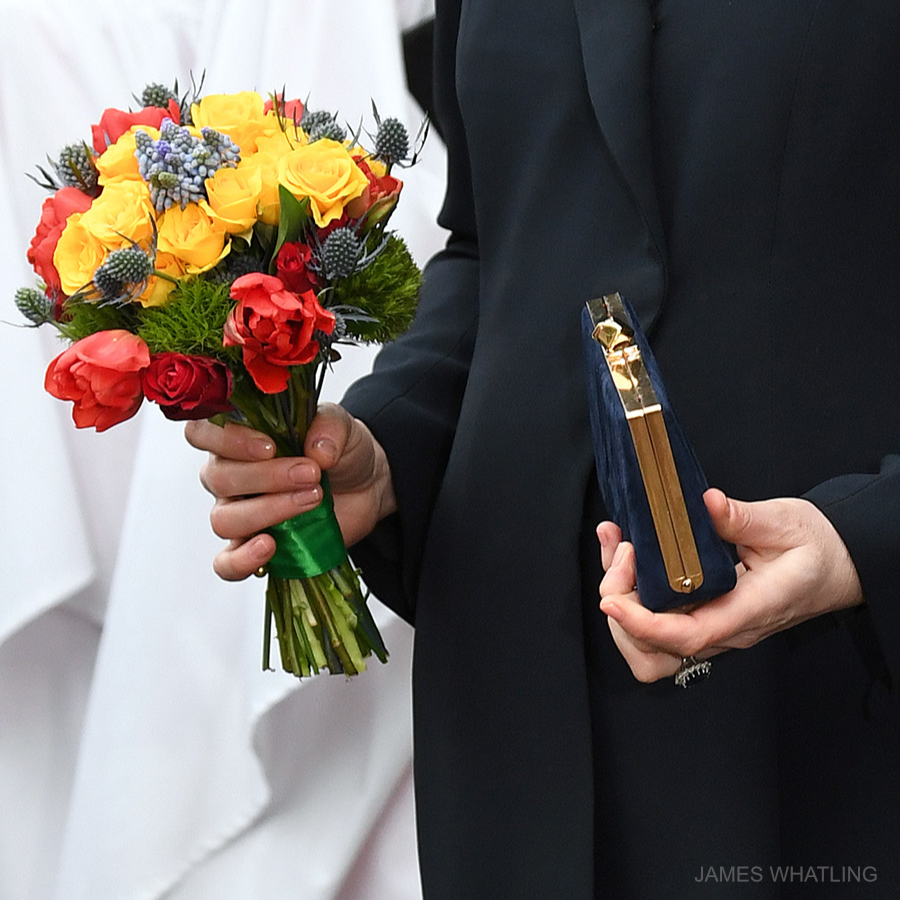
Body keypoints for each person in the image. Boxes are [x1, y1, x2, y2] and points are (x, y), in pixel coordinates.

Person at [186, 1, 900, 897]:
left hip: (826, 712)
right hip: (517, 703)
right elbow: (496, 239)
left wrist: (863, 536)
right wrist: (386, 449)